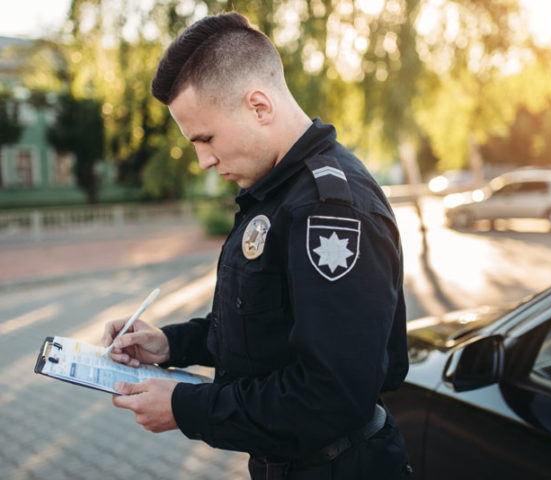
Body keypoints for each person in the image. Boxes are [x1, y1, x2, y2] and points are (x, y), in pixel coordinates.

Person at [103, 11, 411, 480]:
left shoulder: (330, 209)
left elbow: (330, 395)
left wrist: (189, 408)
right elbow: (266, 326)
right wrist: (170, 344)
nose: (204, 161)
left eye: (205, 139)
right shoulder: (278, 192)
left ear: (259, 106)